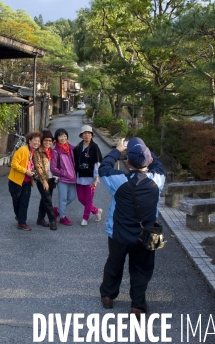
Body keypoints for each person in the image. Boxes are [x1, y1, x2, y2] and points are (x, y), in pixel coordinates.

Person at [98, 137, 165, 318]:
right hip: (145, 237)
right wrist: (147, 150)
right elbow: (158, 165)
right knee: (141, 270)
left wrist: (117, 150)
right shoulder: (157, 180)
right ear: (149, 160)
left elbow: (104, 167)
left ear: (127, 162)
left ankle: (108, 296)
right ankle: (137, 306)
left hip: (119, 234)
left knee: (114, 264)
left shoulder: (118, 180)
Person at [8, 130, 42, 231]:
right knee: (16, 201)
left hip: (27, 181)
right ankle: (19, 217)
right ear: (29, 140)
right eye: (35, 140)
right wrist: (25, 171)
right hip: (16, 181)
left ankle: (22, 222)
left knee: (24, 202)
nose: (37, 143)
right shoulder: (23, 150)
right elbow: (14, 164)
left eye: (39, 141)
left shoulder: (34, 152)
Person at [73, 125, 103, 226]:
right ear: (81, 135)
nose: (86, 135)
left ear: (91, 135)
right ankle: (96, 211)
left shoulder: (95, 148)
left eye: (89, 133)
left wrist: (96, 178)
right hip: (79, 176)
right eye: (84, 133)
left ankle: (85, 218)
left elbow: (97, 164)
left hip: (91, 178)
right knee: (81, 198)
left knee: (88, 199)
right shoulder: (78, 147)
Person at [50, 128, 77, 226]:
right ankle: (62, 217)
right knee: (63, 198)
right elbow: (53, 168)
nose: (63, 138)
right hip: (63, 179)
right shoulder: (56, 151)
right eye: (60, 136)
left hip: (73, 178)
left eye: (65, 136)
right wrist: (64, 173)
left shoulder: (70, 148)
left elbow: (80, 149)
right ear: (56, 138)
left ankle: (57, 210)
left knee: (72, 197)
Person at [33, 130, 57, 230]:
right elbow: (38, 167)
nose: (47, 142)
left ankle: (40, 218)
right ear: (42, 141)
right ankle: (52, 220)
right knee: (48, 200)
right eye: (45, 140)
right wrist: (44, 181)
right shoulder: (38, 151)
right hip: (42, 180)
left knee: (45, 199)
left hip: (51, 178)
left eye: (50, 140)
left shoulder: (52, 151)